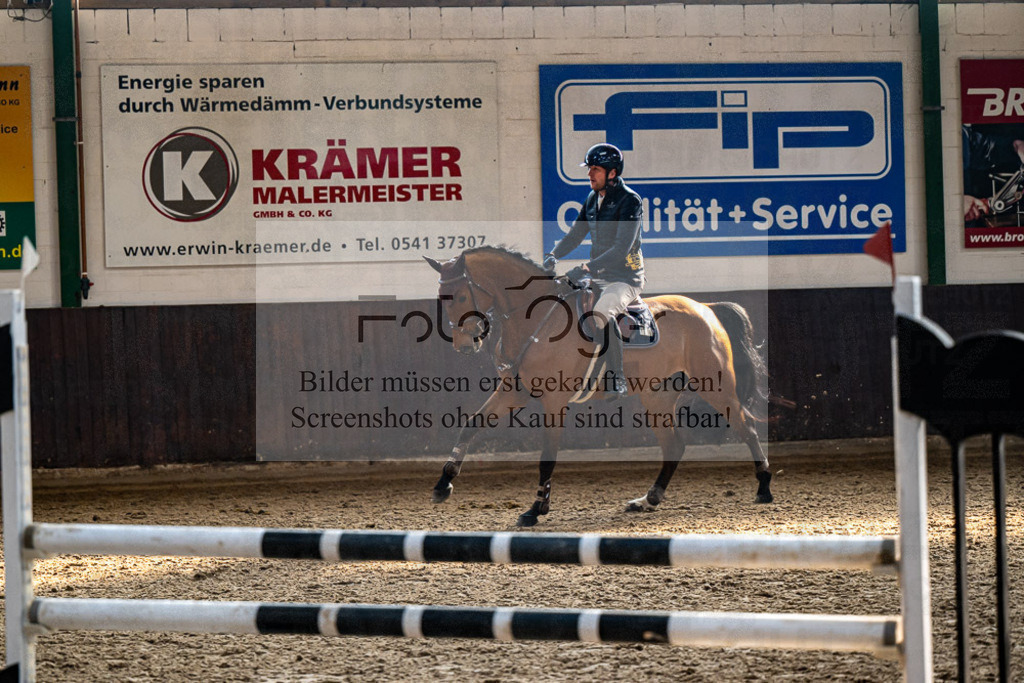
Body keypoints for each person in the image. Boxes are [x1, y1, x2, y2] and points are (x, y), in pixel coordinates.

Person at [543, 143, 645, 399]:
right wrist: (553, 255)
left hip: (625, 278)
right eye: (590, 169)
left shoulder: (630, 201)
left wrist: (585, 268)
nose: (590, 174)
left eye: (596, 169)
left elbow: (621, 249)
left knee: (601, 312)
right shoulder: (591, 199)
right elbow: (576, 234)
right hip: (598, 275)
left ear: (612, 173)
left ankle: (617, 378)